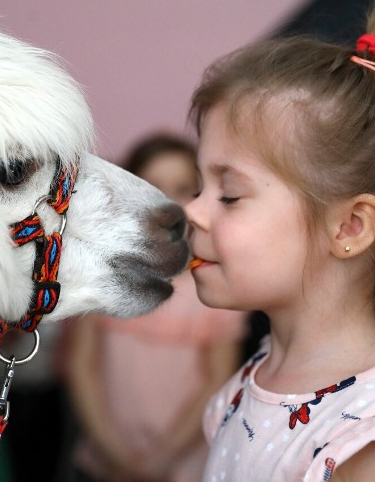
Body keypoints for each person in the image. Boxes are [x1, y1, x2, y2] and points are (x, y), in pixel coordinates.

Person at [186, 0, 375, 481]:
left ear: (350, 227)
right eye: (199, 185)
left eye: (228, 194)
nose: (191, 209)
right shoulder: (255, 379)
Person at [67, 133, 248, 482]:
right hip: (107, 462)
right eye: (152, 186)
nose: (170, 202)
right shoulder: (106, 279)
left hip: (182, 466)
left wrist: (160, 459)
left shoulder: (215, 291)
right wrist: (114, 452)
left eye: (184, 188)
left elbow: (217, 380)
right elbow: (82, 366)